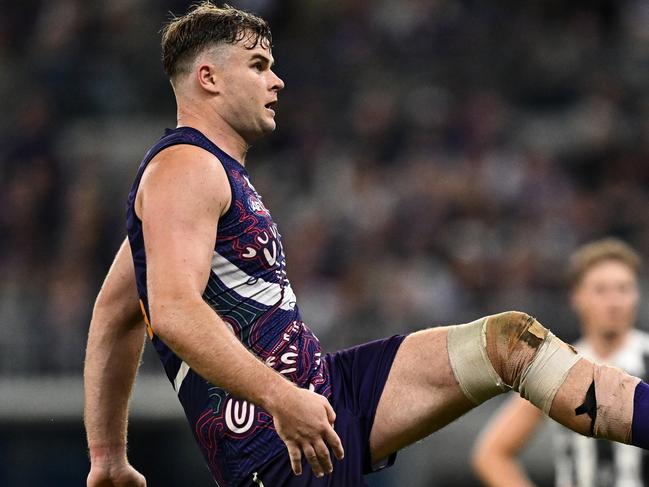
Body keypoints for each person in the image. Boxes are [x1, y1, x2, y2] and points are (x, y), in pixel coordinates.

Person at [83, 4, 649, 487]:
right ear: (209, 78)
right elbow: (175, 311)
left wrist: (108, 459)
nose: (276, 81)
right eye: (259, 66)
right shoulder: (184, 167)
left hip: (321, 396)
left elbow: (115, 312)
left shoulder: (192, 180)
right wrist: (281, 399)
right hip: (275, 442)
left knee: (510, 343)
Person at [472, 238, 649, 487]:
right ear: (577, 297)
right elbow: (491, 454)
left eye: (623, 289)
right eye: (601, 290)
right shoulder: (559, 367)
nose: (614, 301)